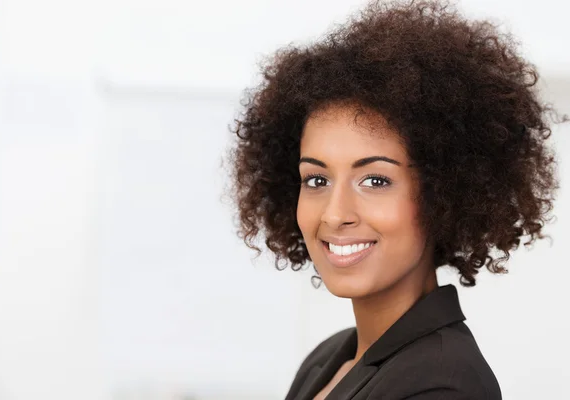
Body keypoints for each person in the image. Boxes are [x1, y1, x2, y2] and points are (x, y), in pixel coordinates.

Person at [227, 0, 566, 398]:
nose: (335, 215)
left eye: (374, 180)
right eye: (316, 180)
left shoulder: (441, 387)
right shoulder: (329, 359)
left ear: (445, 194)